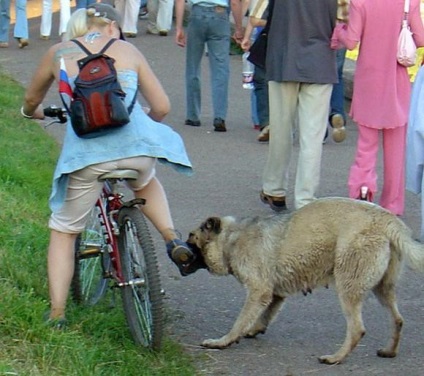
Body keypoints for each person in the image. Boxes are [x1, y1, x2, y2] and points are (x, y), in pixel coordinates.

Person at [21, 3, 194, 325]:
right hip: (136, 151)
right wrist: (144, 122)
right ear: (112, 27)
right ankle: (173, 240)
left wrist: (32, 113)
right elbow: (162, 107)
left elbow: (31, 101)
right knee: (145, 180)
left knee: (64, 230)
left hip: (88, 157)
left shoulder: (59, 53)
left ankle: (57, 313)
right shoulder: (128, 50)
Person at [331, 0, 424, 215]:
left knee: (366, 145)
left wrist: (339, 31)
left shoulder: (360, 2)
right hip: (396, 83)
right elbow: (420, 39)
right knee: (395, 150)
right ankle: (392, 203)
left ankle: (362, 190)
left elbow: (352, 41)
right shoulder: (408, 3)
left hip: (368, 82)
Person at [260, 0, 338, 212]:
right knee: (312, 137)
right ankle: (305, 199)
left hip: (283, 58)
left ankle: (274, 189)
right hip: (320, 61)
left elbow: (262, 15)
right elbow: (342, 20)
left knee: (281, 130)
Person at [175, 0, 243, 132]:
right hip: (220, 15)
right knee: (220, 69)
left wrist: (179, 27)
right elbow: (235, 2)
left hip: (197, 14)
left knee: (193, 67)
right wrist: (239, 28)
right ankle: (219, 116)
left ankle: (193, 115)